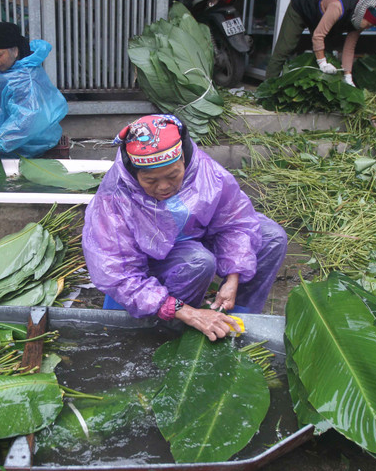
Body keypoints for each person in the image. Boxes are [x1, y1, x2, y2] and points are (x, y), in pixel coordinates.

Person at [82, 114, 288, 342]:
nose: (163, 187)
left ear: (185, 160)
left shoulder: (204, 171)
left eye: (173, 175)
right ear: (134, 173)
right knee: (198, 262)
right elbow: (118, 274)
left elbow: (235, 221)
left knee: (271, 237)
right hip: (152, 264)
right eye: (150, 181)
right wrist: (184, 311)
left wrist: (233, 278)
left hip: (195, 238)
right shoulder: (113, 200)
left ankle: (237, 317)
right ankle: (170, 330)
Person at [0, 21, 68, 168]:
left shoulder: (26, 78)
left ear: (14, 52)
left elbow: (27, 118)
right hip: (5, 125)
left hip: (33, 135)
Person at [265, 0, 376, 85]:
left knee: (327, 52)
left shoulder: (359, 20)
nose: (368, 27)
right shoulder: (338, 7)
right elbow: (318, 36)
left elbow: (349, 48)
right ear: (363, 15)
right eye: (368, 24)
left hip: (321, 16)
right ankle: (268, 86)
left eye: (372, 25)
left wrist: (348, 76)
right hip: (302, 6)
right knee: (285, 47)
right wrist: (322, 63)